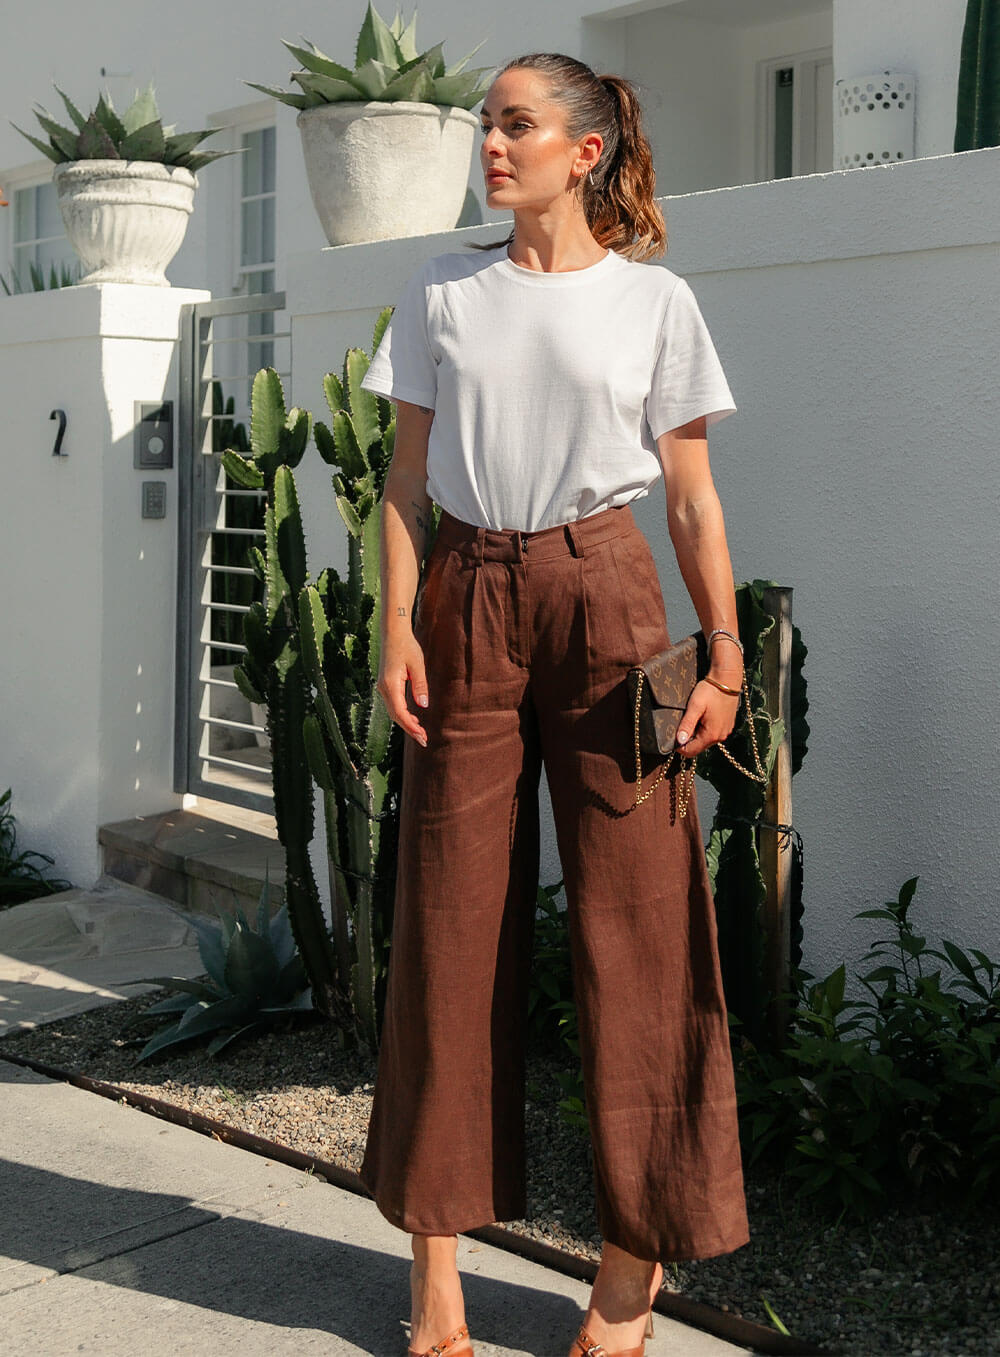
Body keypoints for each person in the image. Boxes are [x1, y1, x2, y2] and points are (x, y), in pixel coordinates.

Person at [357, 50, 751, 1357]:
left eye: (517, 125)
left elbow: (690, 494)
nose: (493, 143)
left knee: (641, 927)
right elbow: (406, 478)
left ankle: (629, 1278)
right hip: (467, 592)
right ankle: (439, 1280)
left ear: (587, 151)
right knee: (448, 921)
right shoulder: (441, 288)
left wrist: (726, 655)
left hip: (610, 598)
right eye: (487, 124)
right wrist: (394, 623)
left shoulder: (655, 300)